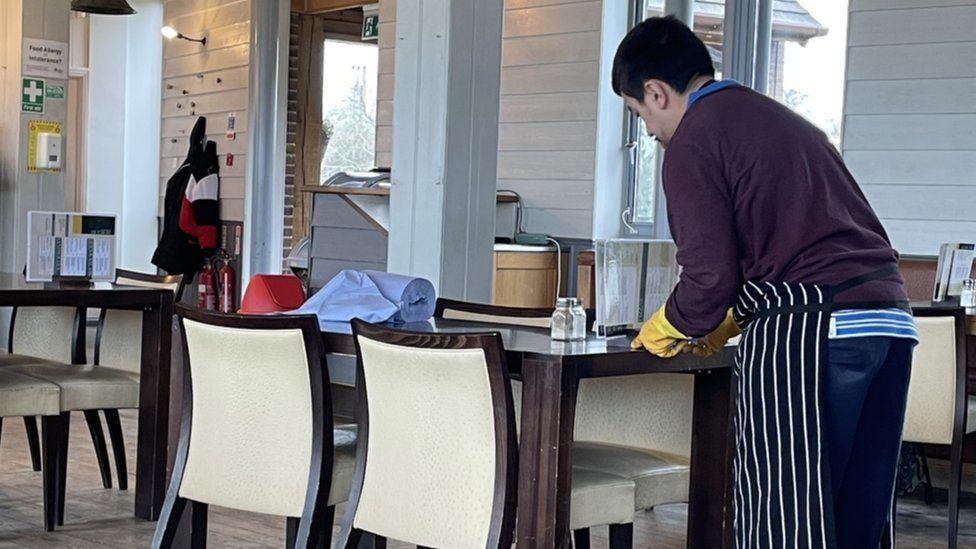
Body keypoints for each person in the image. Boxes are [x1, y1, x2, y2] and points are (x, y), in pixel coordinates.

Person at [613, 16, 917, 549]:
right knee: (856, 518)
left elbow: (709, 275)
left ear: (656, 93)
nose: (649, 131)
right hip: (889, 321)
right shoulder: (780, 120)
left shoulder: (694, 139)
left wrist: (666, 326)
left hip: (812, 330)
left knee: (786, 517)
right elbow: (794, 239)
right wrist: (730, 315)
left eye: (639, 114)